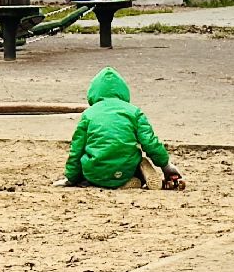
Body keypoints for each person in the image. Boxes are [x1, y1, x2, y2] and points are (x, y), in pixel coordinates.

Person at [56, 67, 185, 190]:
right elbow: (150, 142)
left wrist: (71, 178)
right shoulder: (134, 112)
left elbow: (76, 149)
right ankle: (136, 176)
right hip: (126, 169)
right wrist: (165, 165)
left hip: (96, 173)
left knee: (89, 169)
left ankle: (112, 181)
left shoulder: (88, 114)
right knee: (135, 158)